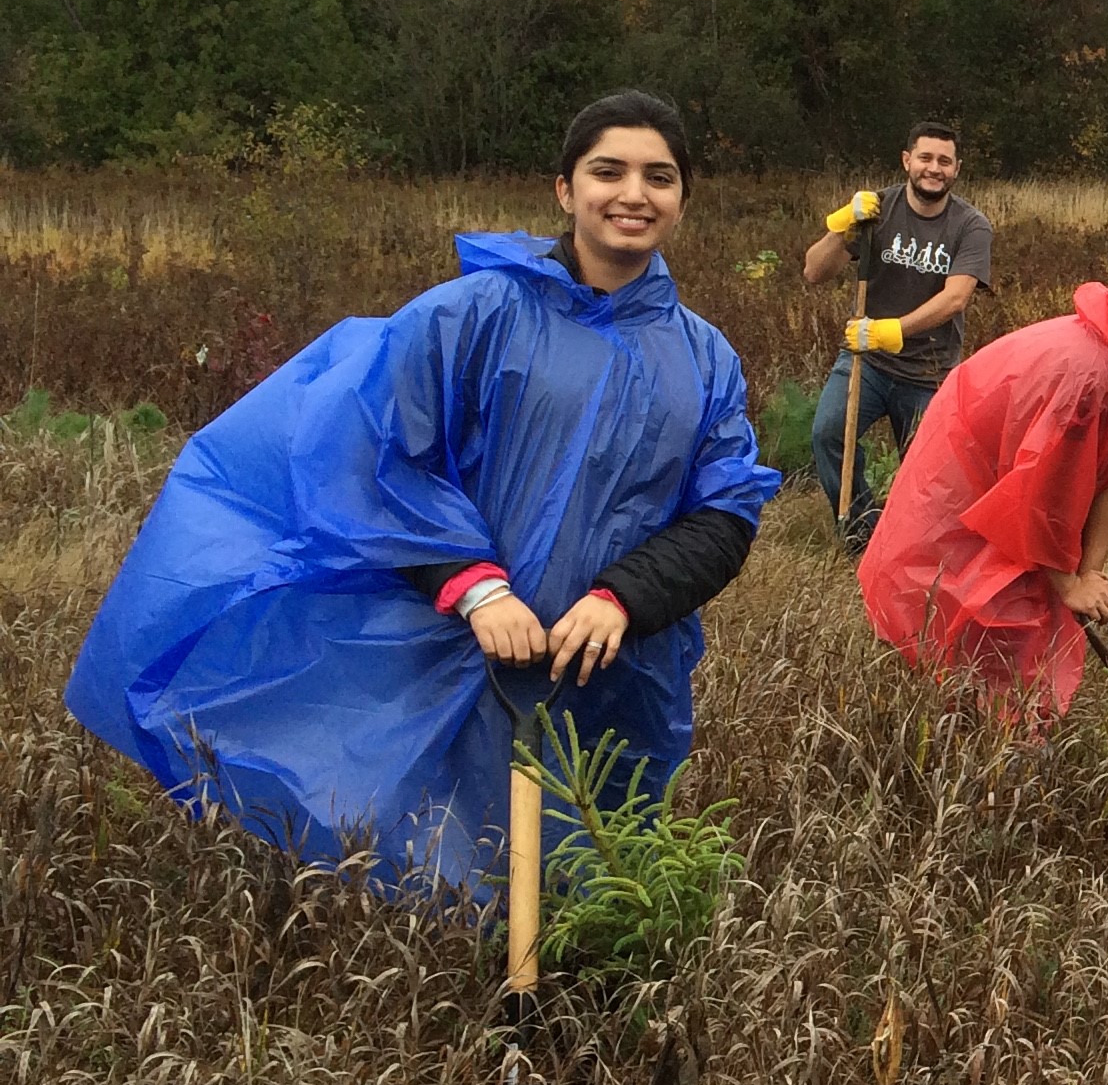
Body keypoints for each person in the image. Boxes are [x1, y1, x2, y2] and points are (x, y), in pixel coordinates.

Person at [67, 91, 781, 897]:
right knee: (433, 870)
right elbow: (372, 456)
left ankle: (564, 1016)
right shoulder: (471, 316)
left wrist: (623, 598)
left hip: (613, 675)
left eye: (659, 177)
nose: (632, 194)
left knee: (593, 882)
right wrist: (473, 586)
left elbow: (725, 513)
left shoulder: (707, 359)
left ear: (683, 198)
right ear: (564, 189)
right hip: (455, 651)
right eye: (607, 171)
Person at [860, 227, 1108, 719]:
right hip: (962, 485)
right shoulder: (1085, 371)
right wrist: (1068, 584)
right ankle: (974, 750)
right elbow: (1041, 492)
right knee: (959, 615)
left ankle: (1006, 741)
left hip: (1022, 491)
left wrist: (1087, 572)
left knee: (1025, 622)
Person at [802, 119, 994, 545]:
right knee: (828, 435)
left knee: (929, 474)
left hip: (929, 371)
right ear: (908, 160)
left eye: (944, 161)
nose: (934, 168)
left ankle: (912, 548)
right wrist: (841, 227)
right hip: (865, 362)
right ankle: (863, 535)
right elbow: (815, 271)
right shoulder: (877, 209)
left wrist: (892, 331)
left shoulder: (971, 226)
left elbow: (956, 298)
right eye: (925, 157)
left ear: (956, 169)